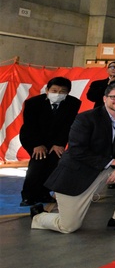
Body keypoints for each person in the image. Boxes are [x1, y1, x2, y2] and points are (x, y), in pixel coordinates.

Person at [30, 82, 115, 233]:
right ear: (105, 98)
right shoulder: (86, 118)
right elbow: (77, 151)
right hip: (77, 175)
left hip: (106, 171)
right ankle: (39, 216)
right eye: (114, 97)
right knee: (68, 227)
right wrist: (113, 161)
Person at [19, 77, 81, 207]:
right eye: (54, 90)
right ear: (47, 90)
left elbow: (67, 126)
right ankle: (28, 196)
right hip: (33, 138)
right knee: (38, 163)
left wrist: (59, 143)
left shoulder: (73, 103)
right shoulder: (33, 103)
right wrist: (37, 144)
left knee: (53, 163)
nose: (58, 94)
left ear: (68, 92)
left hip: (56, 140)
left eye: (62, 91)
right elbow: (30, 126)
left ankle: (44, 193)